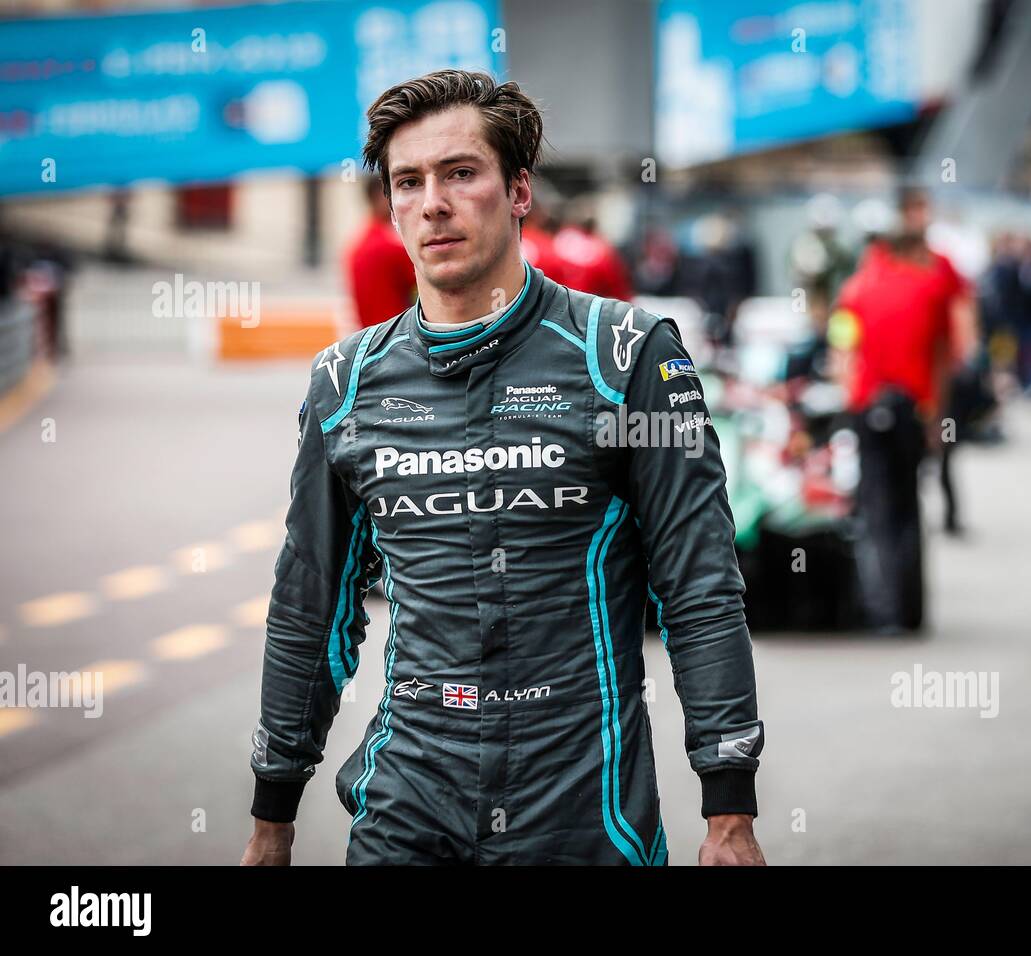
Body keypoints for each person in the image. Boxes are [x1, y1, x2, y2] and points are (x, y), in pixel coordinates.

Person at [241, 70, 765, 866]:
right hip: (407, 806)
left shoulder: (629, 357)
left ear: (519, 188)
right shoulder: (343, 385)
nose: (433, 203)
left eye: (461, 173)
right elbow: (311, 605)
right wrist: (271, 816)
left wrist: (730, 809)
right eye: (408, 182)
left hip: (584, 812)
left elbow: (700, 585)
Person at [830, 187, 967, 630]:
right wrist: (937, 415)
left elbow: (841, 354)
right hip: (913, 412)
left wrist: (850, 399)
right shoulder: (930, 287)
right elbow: (946, 357)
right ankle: (912, 612)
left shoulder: (855, 289)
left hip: (869, 410)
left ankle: (884, 610)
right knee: (909, 508)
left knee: (877, 511)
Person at [344, 176, 417, 328]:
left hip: (373, 335)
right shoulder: (387, 246)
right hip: (395, 335)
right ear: (380, 197)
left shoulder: (359, 243)